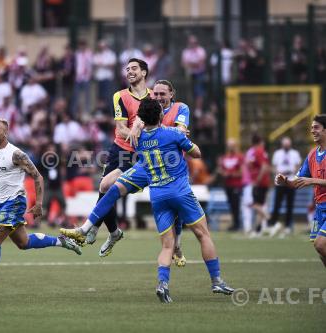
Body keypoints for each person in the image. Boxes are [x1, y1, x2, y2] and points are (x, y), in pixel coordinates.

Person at [60, 78, 190, 264]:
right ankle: (89, 228)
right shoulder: (148, 109)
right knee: (108, 186)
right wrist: (144, 130)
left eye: (162, 94)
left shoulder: (181, 108)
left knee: (175, 209)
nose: (159, 97)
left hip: (171, 166)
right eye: (156, 94)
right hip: (145, 164)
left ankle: (177, 247)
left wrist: (158, 131)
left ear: (171, 94)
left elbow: (181, 130)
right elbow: (138, 129)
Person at [0, 119, 82, 295]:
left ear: (5, 133)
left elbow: (38, 177)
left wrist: (39, 203)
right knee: (24, 243)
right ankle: (62, 241)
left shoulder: (16, 154)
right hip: (1, 203)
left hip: (14, 202)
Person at [136, 98, 234, 302]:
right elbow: (196, 153)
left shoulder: (139, 139)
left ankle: (163, 285)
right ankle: (216, 281)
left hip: (158, 195)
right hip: (180, 191)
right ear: (161, 115)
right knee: (203, 234)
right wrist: (184, 138)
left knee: (167, 245)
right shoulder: (173, 133)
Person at [61, 58, 151, 257]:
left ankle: (93, 226)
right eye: (127, 69)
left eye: (134, 68)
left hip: (138, 154)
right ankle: (113, 232)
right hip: (119, 149)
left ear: (144, 72)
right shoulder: (119, 96)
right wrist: (136, 133)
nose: (129, 71)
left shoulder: (153, 97)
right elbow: (120, 127)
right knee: (104, 187)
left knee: (105, 186)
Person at [275, 115, 326, 267]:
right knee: (321, 251)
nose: (312, 131)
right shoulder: (311, 155)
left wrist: (313, 180)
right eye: (311, 128)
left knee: (320, 245)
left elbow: (309, 181)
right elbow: (297, 182)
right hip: (320, 208)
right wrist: (286, 182)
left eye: (316, 127)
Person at [268, 137, 301, 237]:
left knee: (289, 205)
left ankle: (287, 226)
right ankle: (273, 224)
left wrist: (293, 172)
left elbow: (298, 165)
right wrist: (279, 173)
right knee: (277, 204)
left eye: (288, 144)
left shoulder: (295, 153)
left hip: (290, 181)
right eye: (285, 144)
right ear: (282, 144)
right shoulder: (277, 153)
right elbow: (274, 166)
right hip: (280, 182)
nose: (286, 145)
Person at [246, 134, 271, 237]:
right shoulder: (262, 152)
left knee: (255, 204)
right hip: (264, 181)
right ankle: (257, 230)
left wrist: (257, 180)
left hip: (260, 182)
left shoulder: (258, 151)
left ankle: (270, 219)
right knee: (259, 205)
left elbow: (264, 167)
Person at [217, 138, 244, 231]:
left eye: (232, 145)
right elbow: (220, 169)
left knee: (236, 204)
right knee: (231, 205)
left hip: (236, 184)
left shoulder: (239, 157)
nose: (230, 147)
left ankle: (237, 224)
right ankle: (235, 223)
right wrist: (222, 172)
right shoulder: (225, 157)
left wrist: (230, 174)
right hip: (227, 185)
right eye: (229, 145)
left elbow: (242, 172)